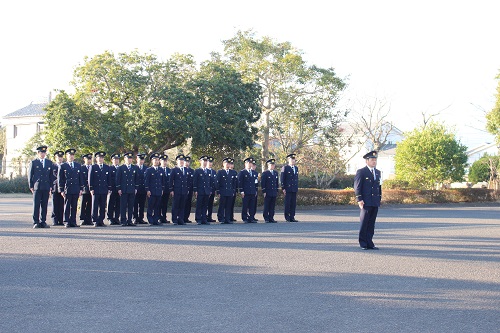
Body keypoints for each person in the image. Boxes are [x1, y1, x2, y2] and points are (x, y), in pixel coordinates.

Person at [354, 150, 382, 250]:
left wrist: (379, 199)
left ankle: (370, 242)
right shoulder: (361, 172)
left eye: (375, 160)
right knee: (364, 222)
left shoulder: (378, 172)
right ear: (367, 161)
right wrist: (359, 199)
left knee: (371, 223)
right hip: (365, 201)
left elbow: (379, 187)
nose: (374, 162)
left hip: (374, 201)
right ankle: (363, 243)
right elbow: (357, 186)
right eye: (372, 160)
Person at [28, 145, 54, 228]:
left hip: (46, 187)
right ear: (38, 153)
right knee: (36, 205)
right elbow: (30, 175)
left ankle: (43, 221)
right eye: (41, 152)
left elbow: (51, 176)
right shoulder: (34, 162)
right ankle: (36, 221)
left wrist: (51, 186)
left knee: (44, 205)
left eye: (44, 152)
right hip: (37, 186)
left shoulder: (49, 162)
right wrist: (31, 186)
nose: (43, 154)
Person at [58, 148, 83, 228]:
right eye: (70, 155)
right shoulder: (63, 166)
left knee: (74, 206)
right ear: (66, 156)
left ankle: (73, 221)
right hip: (67, 189)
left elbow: (80, 178)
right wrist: (61, 190)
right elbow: (60, 179)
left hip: (76, 188)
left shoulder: (78, 165)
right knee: (67, 205)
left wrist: (81, 189)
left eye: (72, 155)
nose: (71, 157)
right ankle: (67, 221)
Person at [116, 152, 138, 227]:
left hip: (131, 189)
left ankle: (129, 220)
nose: (129, 160)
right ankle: (123, 220)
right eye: (128, 158)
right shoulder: (121, 168)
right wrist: (119, 188)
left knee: (131, 206)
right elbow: (118, 179)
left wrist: (136, 188)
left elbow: (136, 179)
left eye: (130, 158)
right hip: (124, 190)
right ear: (125, 159)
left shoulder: (135, 167)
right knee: (123, 206)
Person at [89, 151, 111, 227]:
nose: (101, 159)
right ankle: (95, 220)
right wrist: (91, 188)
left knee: (102, 206)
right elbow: (90, 178)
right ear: (96, 159)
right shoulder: (93, 167)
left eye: (102, 158)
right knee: (95, 206)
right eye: (99, 158)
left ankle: (101, 220)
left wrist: (109, 188)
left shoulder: (107, 167)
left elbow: (109, 179)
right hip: (96, 189)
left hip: (104, 189)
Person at [144, 153, 165, 226]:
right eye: (155, 160)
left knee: (157, 206)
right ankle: (150, 220)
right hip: (151, 191)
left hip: (158, 191)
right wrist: (147, 190)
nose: (156, 161)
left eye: (157, 160)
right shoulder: (149, 170)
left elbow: (163, 181)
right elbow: (146, 181)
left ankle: (156, 219)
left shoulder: (161, 170)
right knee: (150, 206)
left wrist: (162, 189)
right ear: (152, 161)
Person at [216, 157, 237, 224]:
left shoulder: (233, 172)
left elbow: (234, 183)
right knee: (222, 205)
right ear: (223, 164)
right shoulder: (220, 172)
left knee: (228, 206)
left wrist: (233, 191)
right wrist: (218, 191)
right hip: (223, 191)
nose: (228, 165)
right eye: (226, 163)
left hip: (230, 191)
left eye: (229, 163)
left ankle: (227, 219)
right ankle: (221, 218)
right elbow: (217, 182)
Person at [169, 154, 189, 225]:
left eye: (183, 160)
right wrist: (171, 190)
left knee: (182, 205)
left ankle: (181, 219)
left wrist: (187, 189)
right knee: (175, 205)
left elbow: (188, 181)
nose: (181, 162)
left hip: (184, 190)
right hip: (176, 190)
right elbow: (171, 180)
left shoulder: (186, 170)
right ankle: (174, 219)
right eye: (180, 160)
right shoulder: (174, 170)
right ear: (177, 161)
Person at [238, 157, 258, 223]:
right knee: (245, 205)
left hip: (252, 191)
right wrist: (241, 191)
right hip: (246, 192)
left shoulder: (254, 172)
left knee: (252, 206)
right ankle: (244, 218)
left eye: (251, 163)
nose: (250, 165)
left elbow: (255, 183)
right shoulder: (242, 172)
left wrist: (255, 190)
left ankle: (251, 217)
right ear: (245, 164)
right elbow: (240, 183)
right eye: (249, 163)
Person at [193, 156, 212, 225]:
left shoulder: (208, 171)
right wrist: (195, 190)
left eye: (206, 161)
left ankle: (204, 218)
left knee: (205, 205)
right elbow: (195, 181)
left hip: (206, 191)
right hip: (200, 191)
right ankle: (198, 219)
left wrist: (210, 190)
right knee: (199, 205)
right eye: (203, 161)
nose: (205, 162)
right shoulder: (197, 171)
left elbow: (209, 182)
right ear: (200, 162)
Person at [281, 153, 299, 222]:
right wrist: (283, 188)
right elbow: (282, 178)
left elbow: (296, 178)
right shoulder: (285, 168)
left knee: (293, 203)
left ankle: (292, 216)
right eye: (291, 159)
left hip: (294, 188)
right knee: (287, 203)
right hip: (288, 188)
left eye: (294, 159)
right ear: (288, 160)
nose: (293, 161)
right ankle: (287, 216)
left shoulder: (296, 168)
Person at [261, 158, 279, 223]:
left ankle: (271, 217)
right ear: (268, 165)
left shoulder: (275, 173)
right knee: (267, 205)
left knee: (272, 205)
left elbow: (276, 183)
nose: (272, 166)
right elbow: (263, 183)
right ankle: (266, 218)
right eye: (271, 165)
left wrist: (277, 190)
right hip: (268, 192)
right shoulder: (265, 173)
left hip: (273, 191)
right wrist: (264, 191)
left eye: (273, 165)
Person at [51, 150, 65, 226]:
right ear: (55, 158)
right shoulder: (52, 166)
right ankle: (54, 220)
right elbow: (51, 177)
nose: (60, 159)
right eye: (58, 157)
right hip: (55, 188)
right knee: (55, 204)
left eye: (61, 157)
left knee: (61, 204)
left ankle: (61, 220)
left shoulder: (64, 166)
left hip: (63, 188)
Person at [107, 153, 121, 225]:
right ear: (112, 160)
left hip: (119, 190)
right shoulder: (109, 168)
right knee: (111, 204)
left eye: (117, 159)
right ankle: (110, 218)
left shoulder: (121, 168)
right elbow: (108, 179)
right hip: (112, 189)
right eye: (114, 159)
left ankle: (116, 218)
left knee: (118, 204)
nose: (116, 161)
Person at [134, 153, 147, 224]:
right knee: (135, 204)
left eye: (142, 159)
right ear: (136, 159)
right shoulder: (134, 167)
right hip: (136, 190)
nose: (141, 161)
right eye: (140, 159)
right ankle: (135, 218)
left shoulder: (146, 168)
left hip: (143, 189)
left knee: (142, 205)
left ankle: (141, 218)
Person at [80, 153, 93, 225]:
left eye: (90, 159)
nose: (89, 160)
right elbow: (80, 178)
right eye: (87, 159)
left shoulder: (93, 167)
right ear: (84, 159)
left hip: (91, 189)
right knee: (83, 204)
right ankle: (82, 218)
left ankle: (88, 219)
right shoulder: (82, 168)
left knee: (90, 204)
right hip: (84, 189)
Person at [159, 154, 171, 223]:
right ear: (160, 161)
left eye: (166, 161)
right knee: (159, 204)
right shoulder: (158, 169)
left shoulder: (169, 170)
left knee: (165, 204)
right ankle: (158, 217)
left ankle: (164, 217)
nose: (165, 162)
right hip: (159, 190)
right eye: (163, 161)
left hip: (166, 190)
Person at [183, 156, 194, 223]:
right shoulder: (181, 170)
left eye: (188, 162)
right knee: (182, 204)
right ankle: (181, 217)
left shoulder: (192, 171)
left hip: (190, 190)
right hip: (183, 190)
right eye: (185, 161)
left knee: (188, 204)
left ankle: (186, 217)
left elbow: (193, 181)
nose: (187, 163)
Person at [206, 156, 217, 223]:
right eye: (209, 162)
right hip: (206, 191)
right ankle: (204, 216)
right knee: (205, 204)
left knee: (210, 205)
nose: (210, 163)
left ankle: (209, 216)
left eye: (211, 162)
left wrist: (215, 190)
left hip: (212, 191)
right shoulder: (205, 170)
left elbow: (215, 182)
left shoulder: (213, 171)